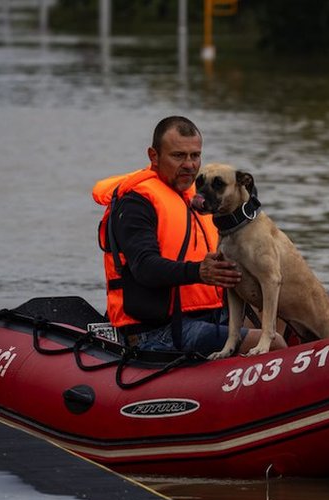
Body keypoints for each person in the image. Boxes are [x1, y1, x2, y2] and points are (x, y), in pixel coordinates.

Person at [93, 115, 286, 355]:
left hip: (213, 315)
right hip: (159, 330)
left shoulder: (206, 196)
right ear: (154, 156)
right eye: (178, 156)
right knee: (275, 343)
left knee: (283, 310)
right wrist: (199, 272)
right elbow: (145, 267)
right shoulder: (135, 204)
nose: (190, 165)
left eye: (195, 156)